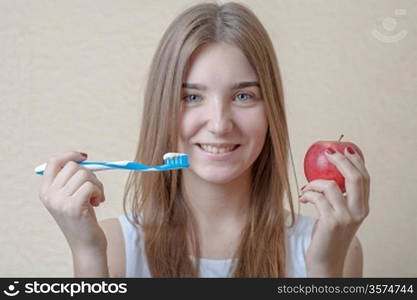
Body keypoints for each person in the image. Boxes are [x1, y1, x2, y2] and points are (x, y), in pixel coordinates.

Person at [38, 2, 370, 278]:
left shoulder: (333, 246)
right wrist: (86, 252)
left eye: (243, 96)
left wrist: (325, 267)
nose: (219, 124)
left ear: (272, 111)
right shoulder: (111, 246)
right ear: (162, 109)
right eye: (192, 98)